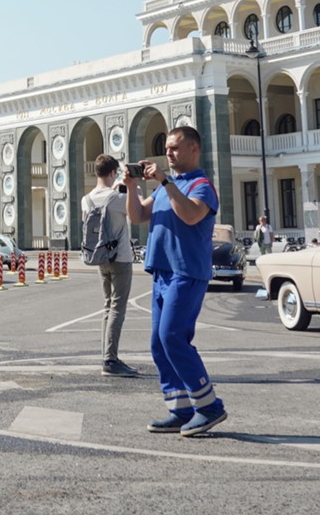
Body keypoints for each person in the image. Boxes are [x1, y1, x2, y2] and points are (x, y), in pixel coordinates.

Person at [127, 125, 227, 438]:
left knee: (173, 337)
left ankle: (209, 407)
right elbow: (138, 216)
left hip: (187, 272)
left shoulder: (201, 185)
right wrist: (131, 187)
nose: (168, 153)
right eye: (167, 147)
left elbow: (190, 215)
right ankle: (180, 409)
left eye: (174, 148)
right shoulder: (164, 188)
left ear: (194, 149)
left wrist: (165, 181)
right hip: (161, 272)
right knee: (158, 344)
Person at [82, 154, 138, 378]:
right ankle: (110, 360)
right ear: (113, 172)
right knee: (118, 308)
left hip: (100, 258)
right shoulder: (115, 198)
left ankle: (107, 355)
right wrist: (128, 187)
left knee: (107, 306)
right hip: (121, 258)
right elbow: (137, 208)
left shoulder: (86, 199)